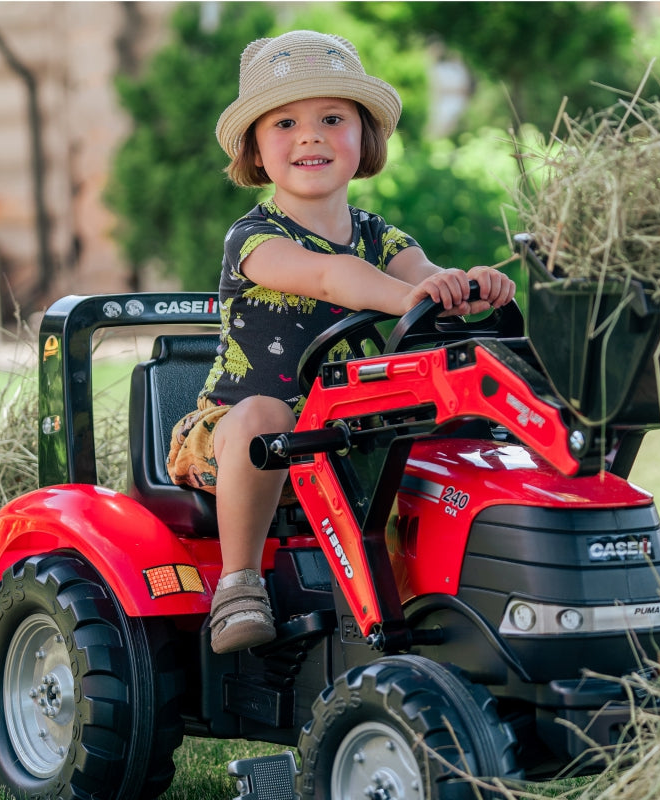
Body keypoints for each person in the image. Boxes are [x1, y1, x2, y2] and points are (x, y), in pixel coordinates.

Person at [167, 30, 515, 654]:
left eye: (333, 118)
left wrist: (468, 285)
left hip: (345, 429)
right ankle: (239, 585)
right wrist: (406, 295)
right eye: (286, 123)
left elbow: (422, 276)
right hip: (237, 433)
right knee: (264, 416)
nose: (311, 135)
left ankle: (446, 590)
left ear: (365, 138)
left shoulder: (381, 237)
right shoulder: (253, 239)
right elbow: (334, 277)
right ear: (254, 148)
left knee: (434, 418)